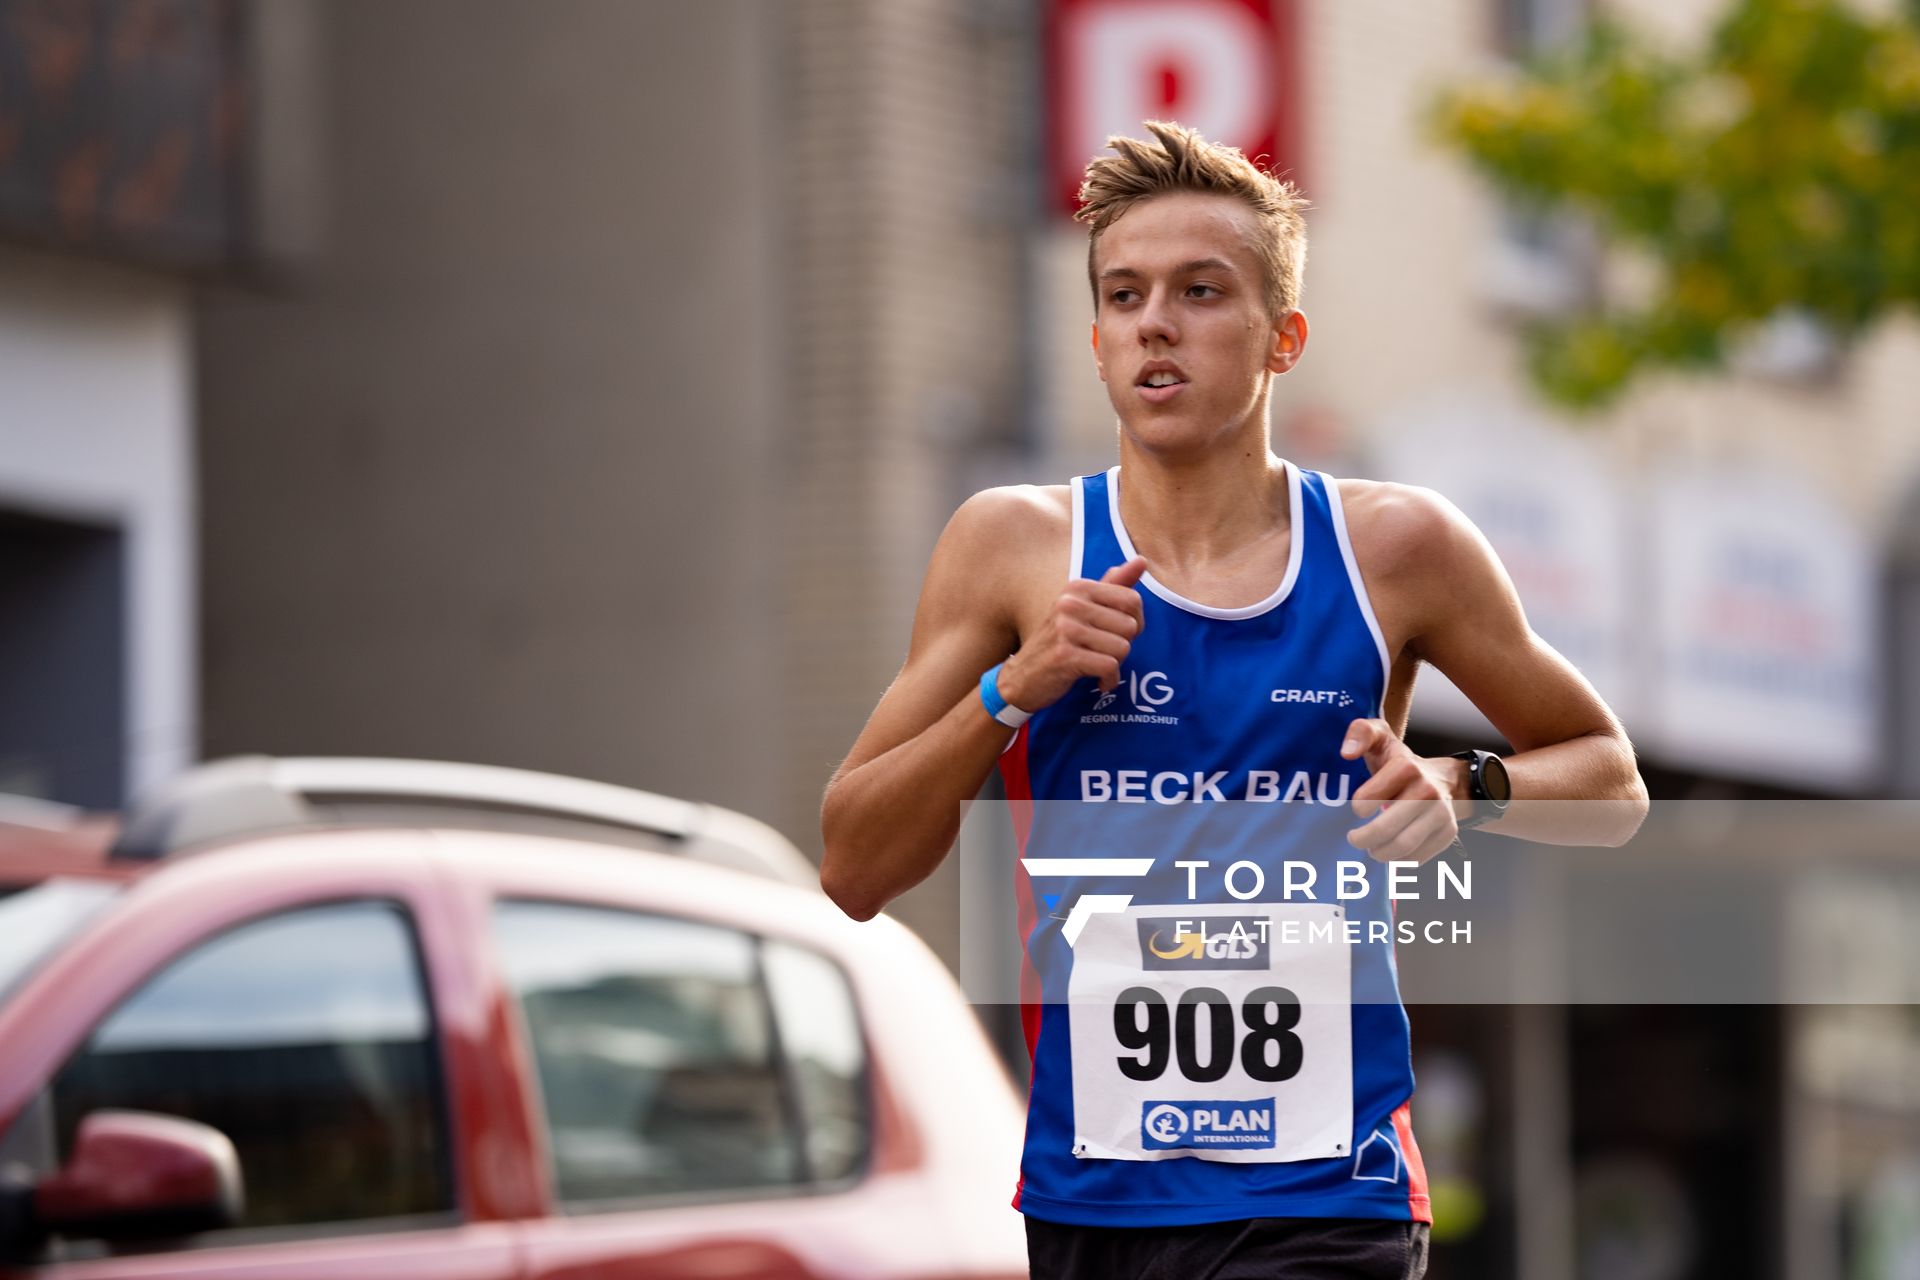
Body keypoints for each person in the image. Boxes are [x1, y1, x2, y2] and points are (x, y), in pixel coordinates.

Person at [819, 120, 1647, 1280]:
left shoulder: (1395, 547)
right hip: (1093, 1195)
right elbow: (854, 864)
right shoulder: (1012, 547)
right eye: (1124, 294)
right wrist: (1012, 689)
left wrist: (1467, 784)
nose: (1155, 321)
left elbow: (1612, 781)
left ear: (1282, 338)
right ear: (1099, 338)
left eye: (1201, 291)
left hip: (1329, 1187)